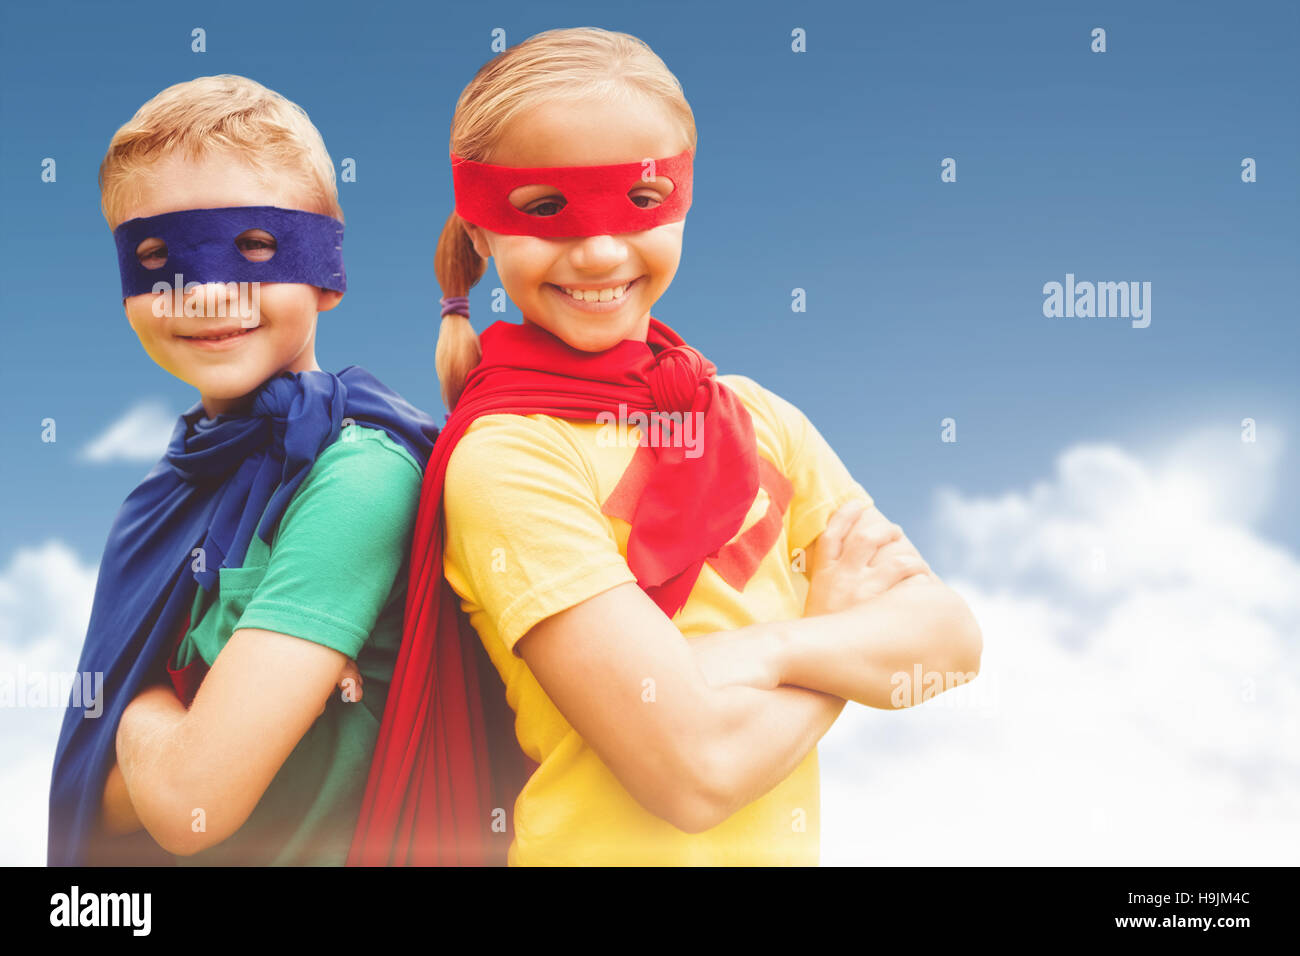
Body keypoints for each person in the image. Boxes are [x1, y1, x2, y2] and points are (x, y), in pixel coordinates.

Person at [350, 27, 983, 866]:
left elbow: (949, 644)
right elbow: (694, 771)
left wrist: (775, 647)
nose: (602, 249)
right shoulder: (509, 458)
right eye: (545, 208)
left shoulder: (760, 418)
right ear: (478, 233)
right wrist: (839, 635)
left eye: (641, 203)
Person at [48, 74, 438, 866]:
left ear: (326, 270)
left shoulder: (358, 476)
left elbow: (191, 801)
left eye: (256, 247)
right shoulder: (159, 499)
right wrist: (170, 735)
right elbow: (110, 803)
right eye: (158, 258)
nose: (204, 291)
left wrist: (136, 706)